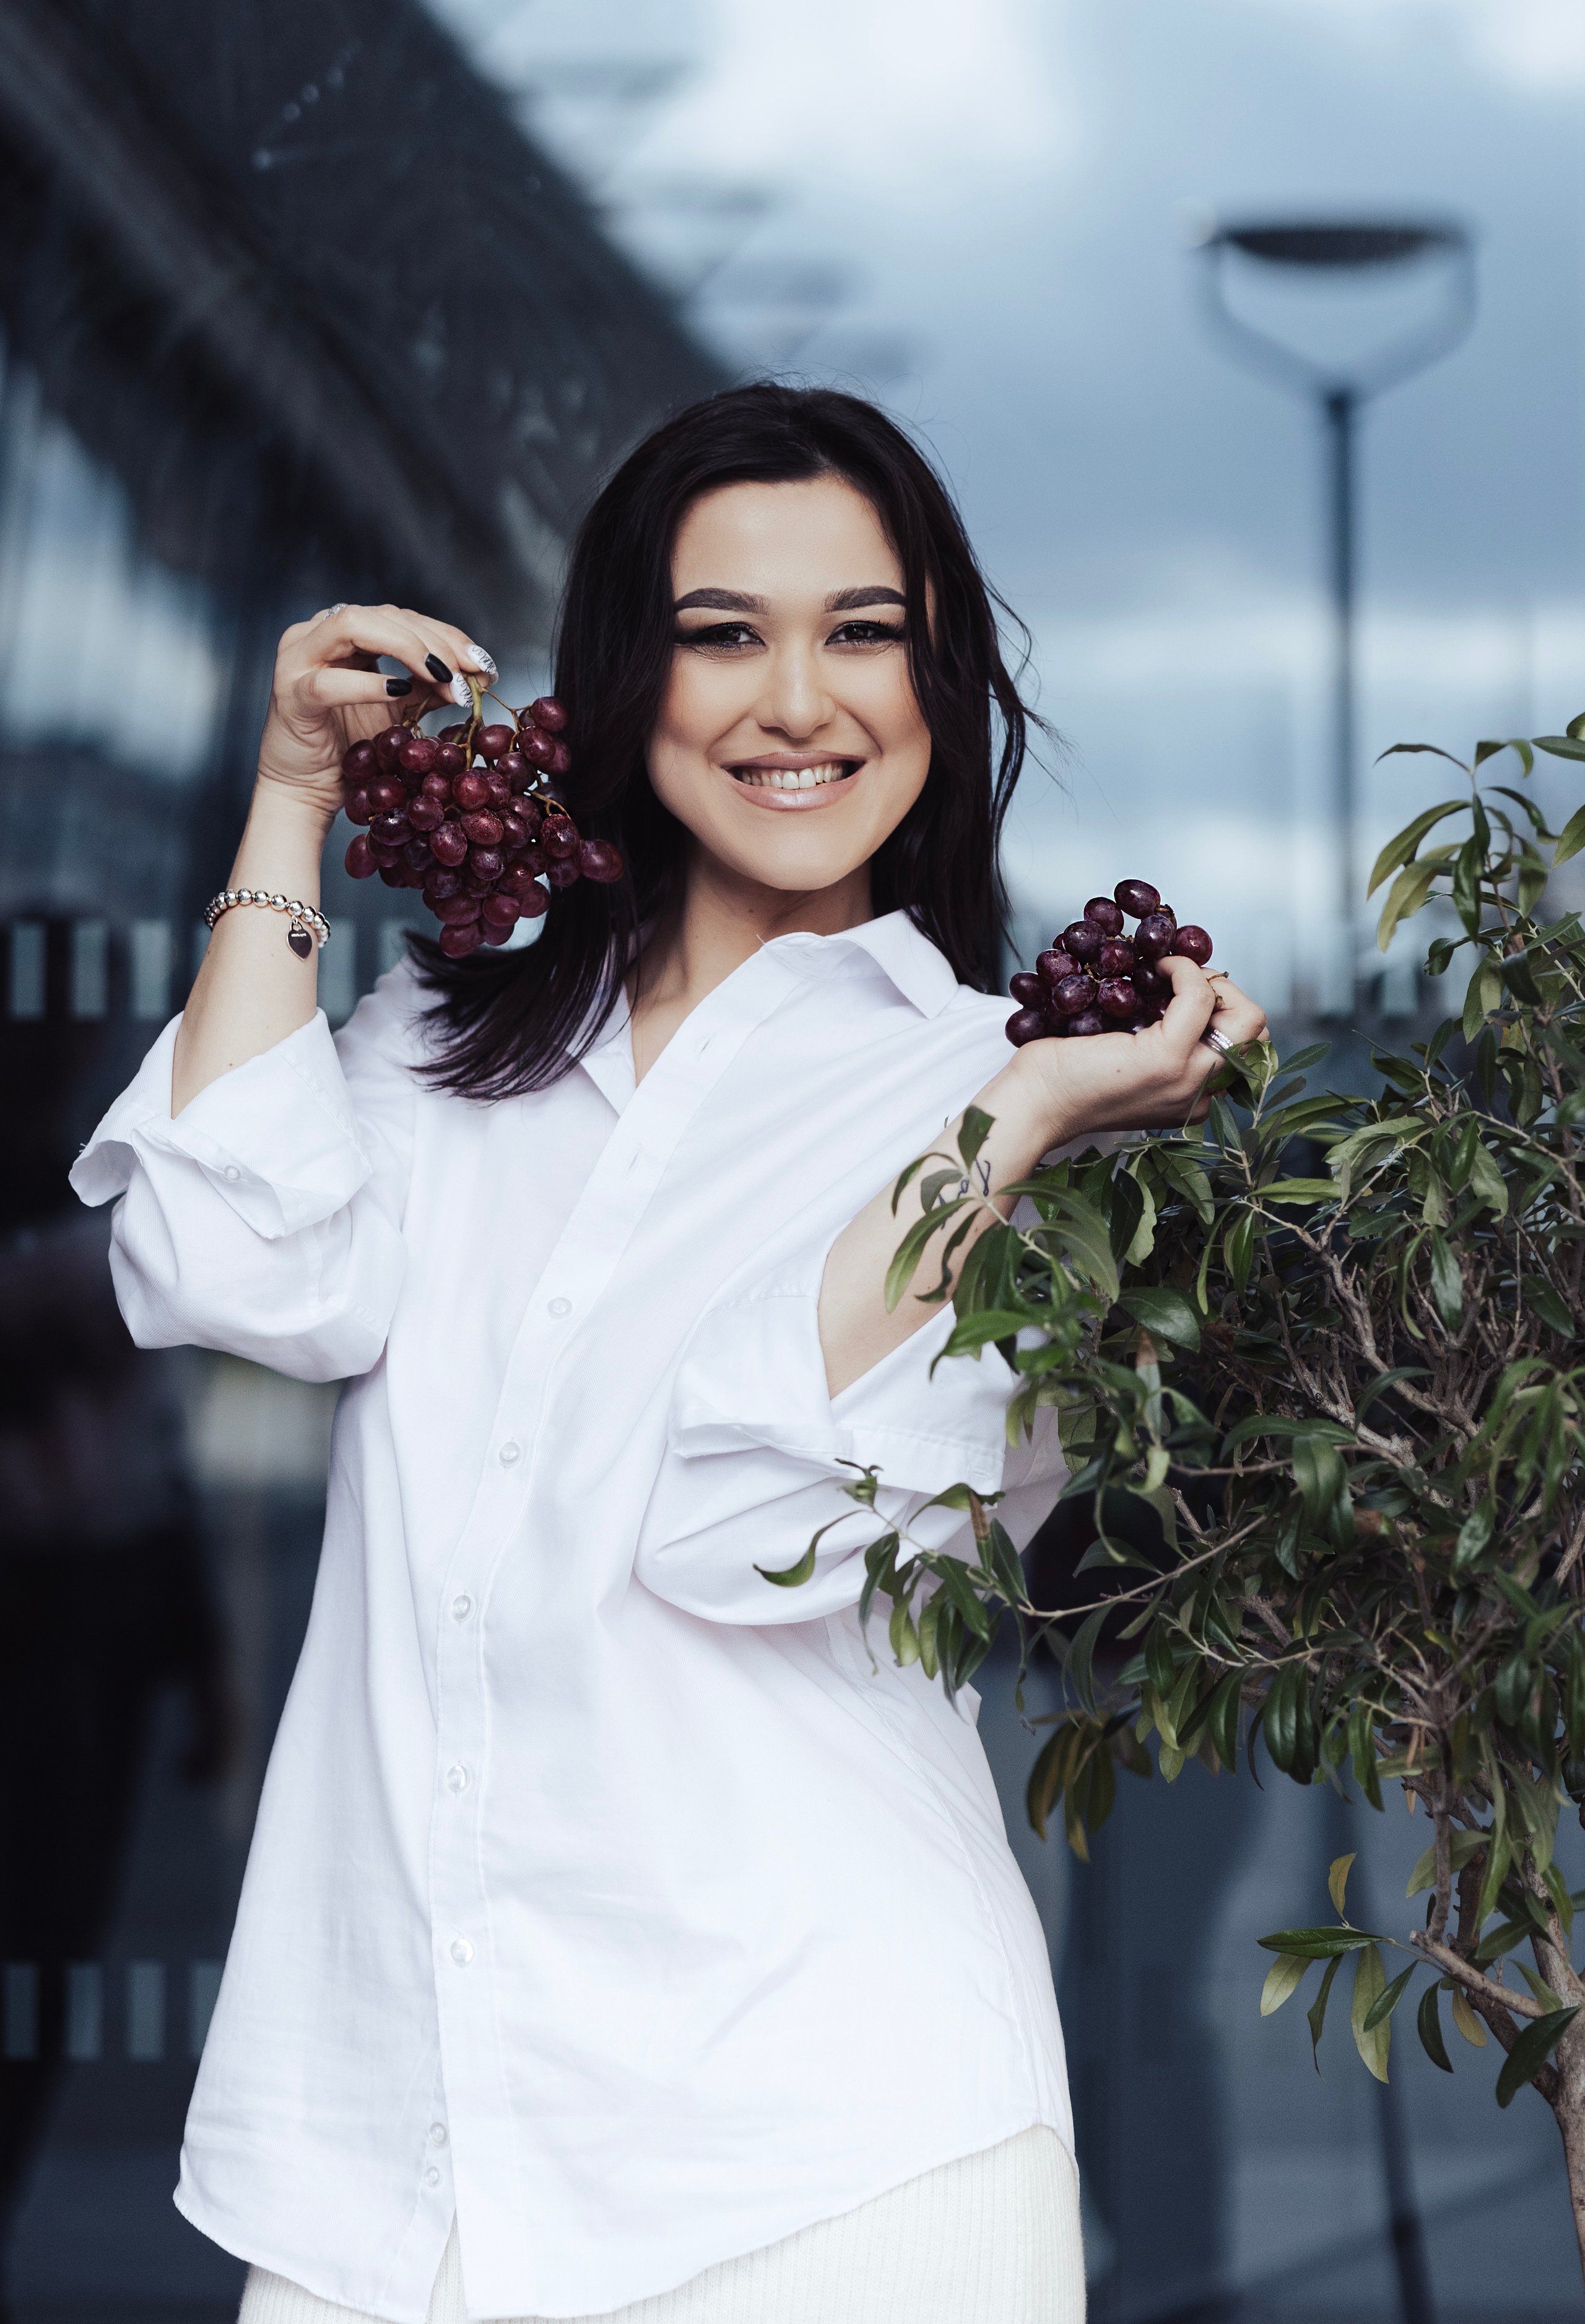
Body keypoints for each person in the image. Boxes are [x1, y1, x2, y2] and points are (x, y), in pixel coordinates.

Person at [71, 385, 1266, 2324]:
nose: (798, 699)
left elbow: (742, 1520)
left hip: (824, 2155)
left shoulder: (1020, 1111)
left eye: (863, 633)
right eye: (726, 633)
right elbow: (221, 1255)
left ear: (943, 680)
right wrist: (293, 787)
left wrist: (1025, 1117)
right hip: (399, 2150)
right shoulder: (449, 1039)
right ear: (631, 675)